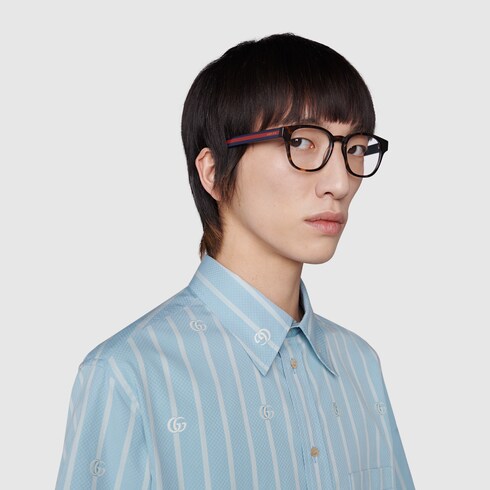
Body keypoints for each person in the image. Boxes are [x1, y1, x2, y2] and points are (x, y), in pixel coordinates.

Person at [56, 33, 414, 490]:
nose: (340, 183)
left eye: (355, 148)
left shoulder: (359, 364)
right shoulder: (129, 374)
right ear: (213, 172)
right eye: (302, 143)